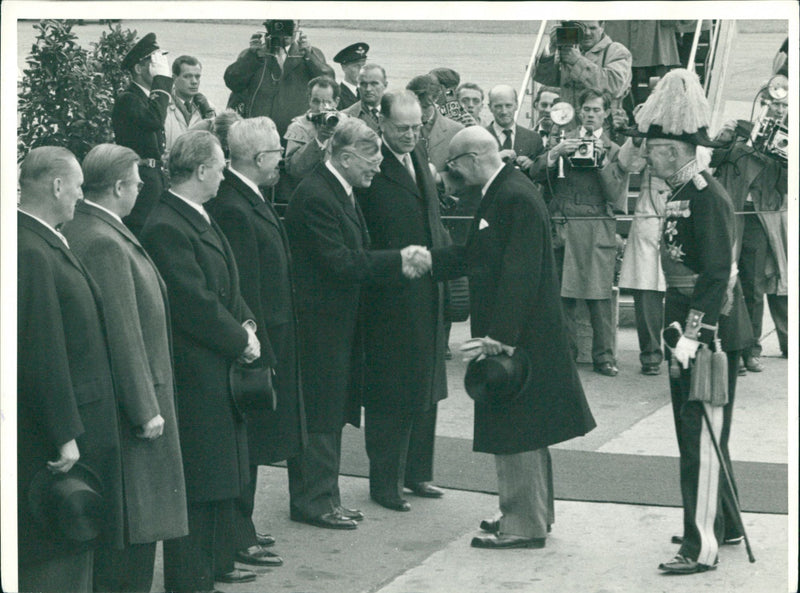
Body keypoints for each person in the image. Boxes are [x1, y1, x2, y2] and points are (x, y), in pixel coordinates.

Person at [425, 126, 596, 549]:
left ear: (473, 158)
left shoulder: (513, 196)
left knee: (516, 428)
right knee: (525, 430)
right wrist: (429, 261)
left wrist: (498, 337)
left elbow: (520, 272)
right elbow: (479, 254)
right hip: (524, 335)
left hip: (520, 340)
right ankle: (529, 511)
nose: (453, 174)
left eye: (455, 165)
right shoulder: (504, 191)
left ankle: (522, 524)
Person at [626, 68, 748, 575]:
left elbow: (717, 271)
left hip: (705, 332)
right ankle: (723, 521)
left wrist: (693, 334)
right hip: (686, 324)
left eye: (653, 150)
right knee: (700, 432)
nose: (646, 157)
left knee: (698, 434)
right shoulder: (682, 191)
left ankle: (701, 547)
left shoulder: (704, 194)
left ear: (674, 152)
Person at [284, 118, 428, 530]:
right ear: (345, 157)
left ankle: (326, 496)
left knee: (330, 412)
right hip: (319, 327)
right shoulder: (316, 196)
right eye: (372, 158)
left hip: (336, 325)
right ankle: (314, 501)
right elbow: (341, 262)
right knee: (321, 413)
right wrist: (397, 260)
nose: (378, 167)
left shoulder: (337, 190)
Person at [61, 144, 188, 592]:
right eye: (136, 183)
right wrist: (145, 409)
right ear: (118, 187)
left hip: (123, 407)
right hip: (131, 416)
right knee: (133, 535)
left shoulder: (92, 229)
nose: (139, 190)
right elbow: (123, 330)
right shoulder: (102, 240)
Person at [140, 130, 262, 591]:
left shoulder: (195, 215)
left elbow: (229, 286)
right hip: (197, 373)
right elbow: (194, 303)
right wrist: (240, 339)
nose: (226, 171)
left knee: (217, 477)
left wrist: (245, 324)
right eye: (221, 163)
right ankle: (191, 578)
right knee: (200, 481)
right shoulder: (168, 224)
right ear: (203, 169)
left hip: (217, 368)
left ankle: (212, 567)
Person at [17, 147, 124, 593]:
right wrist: (65, 433)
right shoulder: (31, 249)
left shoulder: (43, 239)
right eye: (78, 185)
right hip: (60, 433)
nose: (81, 194)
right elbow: (42, 350)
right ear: (57, 186)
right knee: (57, 554)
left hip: (78, 419)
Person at [206, 117, 306, 570]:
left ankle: (242, 527)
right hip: (258, 342)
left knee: (254, 444)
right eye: (277, 154)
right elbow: (246, 288)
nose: (282, 160)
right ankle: (235, 533)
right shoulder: (234, 205)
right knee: (246, 445)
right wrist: (261, 350)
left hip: (272, 335)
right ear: (259, 158)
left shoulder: (248, 198)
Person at [356, 91, 450, 511]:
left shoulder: (419, 157)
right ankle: (385, 482)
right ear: (382, 125)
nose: (411, 135)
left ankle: (417, 471)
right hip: (390, 293)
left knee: (426, 385)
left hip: (427, 289)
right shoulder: (374, 167)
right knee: (391, 392)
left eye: (416, 127)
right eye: (402, 128)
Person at [529, 89, 629, 376]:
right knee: (563, 295)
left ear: (606, 113)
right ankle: (565, 355)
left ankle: (604, 358)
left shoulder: (613, 149)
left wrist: (601, 162)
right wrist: (554, 155)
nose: (590, 114)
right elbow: (537, 173)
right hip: (563, 223)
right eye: (586, 109)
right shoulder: (562, 139)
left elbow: (615, 194)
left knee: (599, 297)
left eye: (596, 110)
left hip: (597, 223)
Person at [711, 88, 789, 365]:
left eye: (785, 105)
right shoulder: (743, 132)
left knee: (754, 285)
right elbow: (713, 160)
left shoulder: (787, 141)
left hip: (757, 217)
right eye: (775, 104)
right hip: (732, 213)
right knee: (726, 280)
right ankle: (726, 344)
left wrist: (785, 159)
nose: (779, 110)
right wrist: (726, 138)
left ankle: (751, 350)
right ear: (763, 104)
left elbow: (786, 190)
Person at [223, 20, 334, 136]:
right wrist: (252, 57)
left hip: (297, 133)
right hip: (259, 134)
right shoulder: (253, 53)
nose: (284, 30)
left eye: (289, 24)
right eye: (279, 23)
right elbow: (233, 83)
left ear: (298, 27)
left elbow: (328, 83)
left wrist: (309, 56)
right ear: (268, 26)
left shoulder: (311, 54)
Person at [112, 32, 172, 237]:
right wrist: (162, 80)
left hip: (153, 178)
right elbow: (154, 120)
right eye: (153, 61)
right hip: (140, 180)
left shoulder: (146, 99)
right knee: (143, 232)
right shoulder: (128, 98)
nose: (161, 66)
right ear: (138, 68)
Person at [534, 20, 632, 114]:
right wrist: (551, 48)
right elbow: (544, 78)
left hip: (601, 124)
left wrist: (578, 61)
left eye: (593, 28)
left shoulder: (616, 51)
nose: (587, 33)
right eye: (582, 28)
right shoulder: (570, 49)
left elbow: (614, 86)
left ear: (602, 27)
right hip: (568, 122)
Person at [284, 76, 343, 183]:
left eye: (327, 102)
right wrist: (318, 141)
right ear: (309, 100)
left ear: (336, 102)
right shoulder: (298, 127)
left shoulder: (347, 124)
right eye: (316, 101)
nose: (320, 108)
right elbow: (294, 169)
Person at [407, 74, 464, 174]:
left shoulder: (457, 131)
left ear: (435, 99)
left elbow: (464, 174)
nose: (418, 112)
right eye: (413, 106)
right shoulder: (399, 128)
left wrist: (440, 180)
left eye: (424, 106)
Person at [485, 84, 545, 174]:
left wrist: (532, 165)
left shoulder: (534, 139)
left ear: (516, 105)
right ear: (490, 107)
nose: (504, 111)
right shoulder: (479, 138)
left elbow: (542, 176)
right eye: (498, 106)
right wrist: (495, 158)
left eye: (508, 106)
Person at [165, 55, 216, 153]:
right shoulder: (163, 107)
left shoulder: (208, 108)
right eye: (187, 76)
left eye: (197, 76)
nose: (194, 82)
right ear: (174, 78)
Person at [343, 63, 387, 132]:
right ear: (358, 86)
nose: (368, 89)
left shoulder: (396, 112)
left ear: (385, 85)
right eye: (363, 84)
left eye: (374, 84)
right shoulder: (346, 118)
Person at [333, 42, 369, 109]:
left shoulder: (365, 92)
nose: (361, 70)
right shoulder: (338, 95)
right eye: (356, 66)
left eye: (363, 66)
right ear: (344, 67)